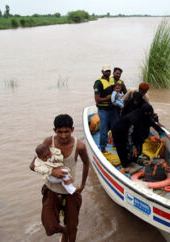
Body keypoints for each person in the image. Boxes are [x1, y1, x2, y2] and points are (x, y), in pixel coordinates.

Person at [30, 114, 90, 242]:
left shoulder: (79, 146)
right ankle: (64, 232)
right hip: (52, 190)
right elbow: (33, 165)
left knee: (72, 229)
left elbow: (86, 163)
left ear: (72, 130)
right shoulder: (48, 142)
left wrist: (83, 185)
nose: (63, 136)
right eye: (60, 132)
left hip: (71, 191)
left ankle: (67, 234)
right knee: (50, 227)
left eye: (67, 131)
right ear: (54, 131)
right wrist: (52, 171)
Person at [112, 103, 170, 171]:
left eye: (149, 113)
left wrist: (165, 134)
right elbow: (129, 134)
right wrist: (133, 146)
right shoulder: (135, 118)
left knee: (138, 150)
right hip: (120, 131)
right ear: (143, 112)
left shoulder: (147, 117)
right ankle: (125, 165)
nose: (148, 115)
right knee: (123, 148)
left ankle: (132, 160)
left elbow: (154, 125)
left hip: (132, 132)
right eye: (146, 113)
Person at [93, 65, 117, 153]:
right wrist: (109, 98)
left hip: (113, 108)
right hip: (104, 110)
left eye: (109, 71)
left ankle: (115, 144)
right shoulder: (98, 83)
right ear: (102, 72)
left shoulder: (112, 80)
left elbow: (117, 90)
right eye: (106, 71)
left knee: (115, 127)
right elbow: (97, 99)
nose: (108, 73)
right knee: (104, 129)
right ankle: (103, 148)